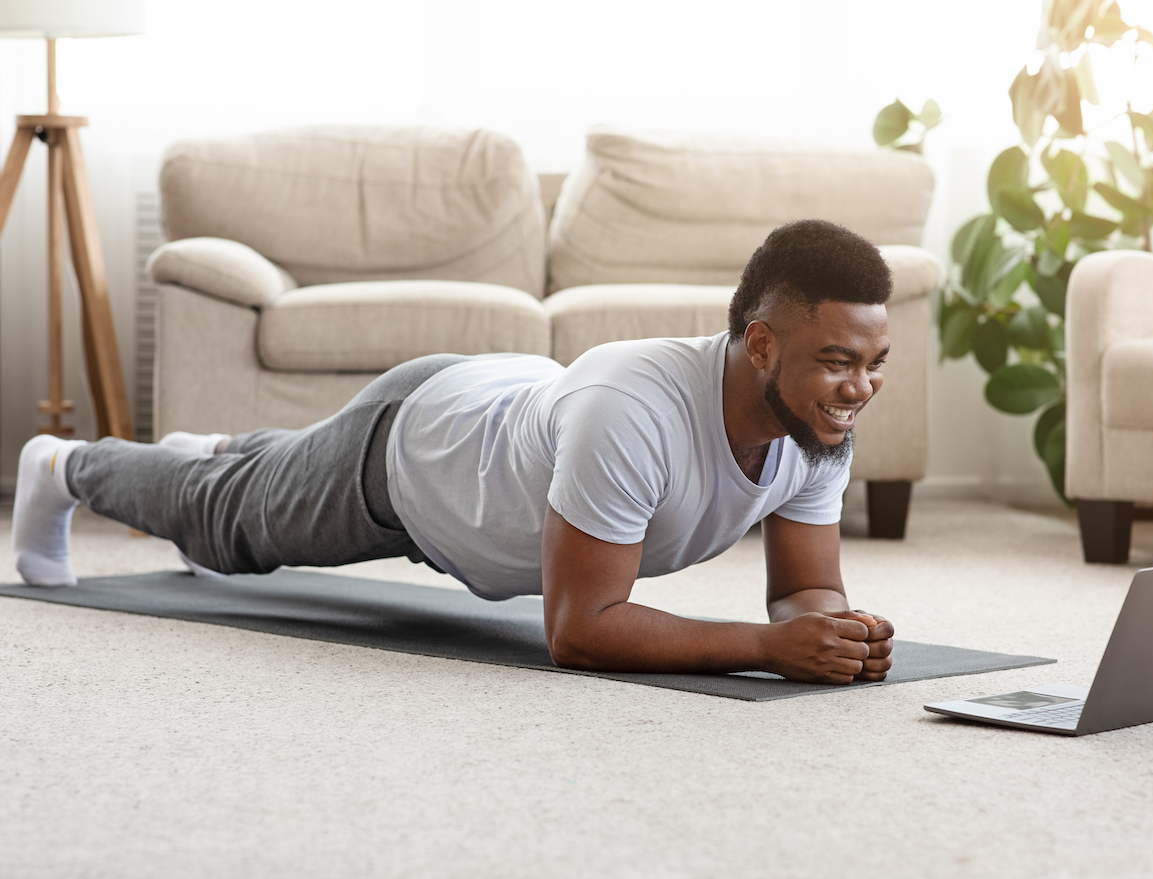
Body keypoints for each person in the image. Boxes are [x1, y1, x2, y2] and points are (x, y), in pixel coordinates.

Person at [12, 219, 895, 685]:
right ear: (763, 345)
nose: (858, 387)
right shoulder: (635, 408)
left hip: (499, 415)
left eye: (873, 365)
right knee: (222, 529)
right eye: (837, 360)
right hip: (412, 457)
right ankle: (61, 466)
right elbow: (579, 630)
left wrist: (833, 631)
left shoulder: (815, 426)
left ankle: (224, 451)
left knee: (249, 479)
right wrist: (768, 648)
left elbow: (802, 589)